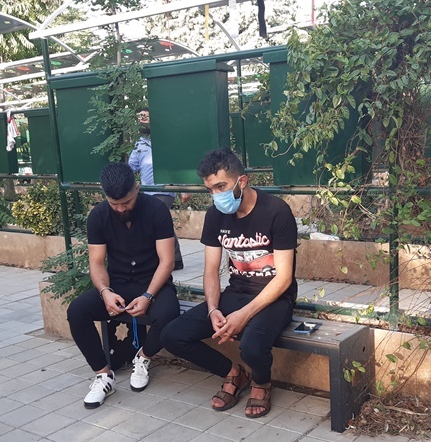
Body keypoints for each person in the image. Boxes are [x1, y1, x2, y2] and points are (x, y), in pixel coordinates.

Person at [161, 147, 297, 418]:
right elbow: (211, 271)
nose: (216, 195)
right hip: (236, 292)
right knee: (172, 335)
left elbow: (284, 278)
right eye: (210, 189)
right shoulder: (215, 216)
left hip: (274, 297)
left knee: (251, 346)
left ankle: (261, 383)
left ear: (242, 181)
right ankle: (233, 373)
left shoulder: (276, 211)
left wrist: (243, 315)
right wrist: (213, 309)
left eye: (221, 187)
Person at [67, 162, 180, 408]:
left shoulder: (157, 210)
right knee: (77, 311)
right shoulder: (98, 216)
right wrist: (105, 292)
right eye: (114, 204)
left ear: (136, 188)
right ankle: (103, 375)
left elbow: (167, 261)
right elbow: (97, 263)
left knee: (170, 314)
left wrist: (148, 295)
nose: (120, 209)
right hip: (116, 284)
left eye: (126, 202)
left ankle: (143, 357)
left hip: (153, 283)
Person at [129, 108, 189, 270]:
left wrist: (184, 188)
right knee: (159, 222)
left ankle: (166, 259)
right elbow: (131, 167)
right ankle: (174, 259)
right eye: (140, 117)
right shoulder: (140, 144)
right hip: (146, 190)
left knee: (153, 219)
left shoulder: (167, 141)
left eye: (145, 117)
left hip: (164, 190)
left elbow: (177, 165)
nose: (142, 120)